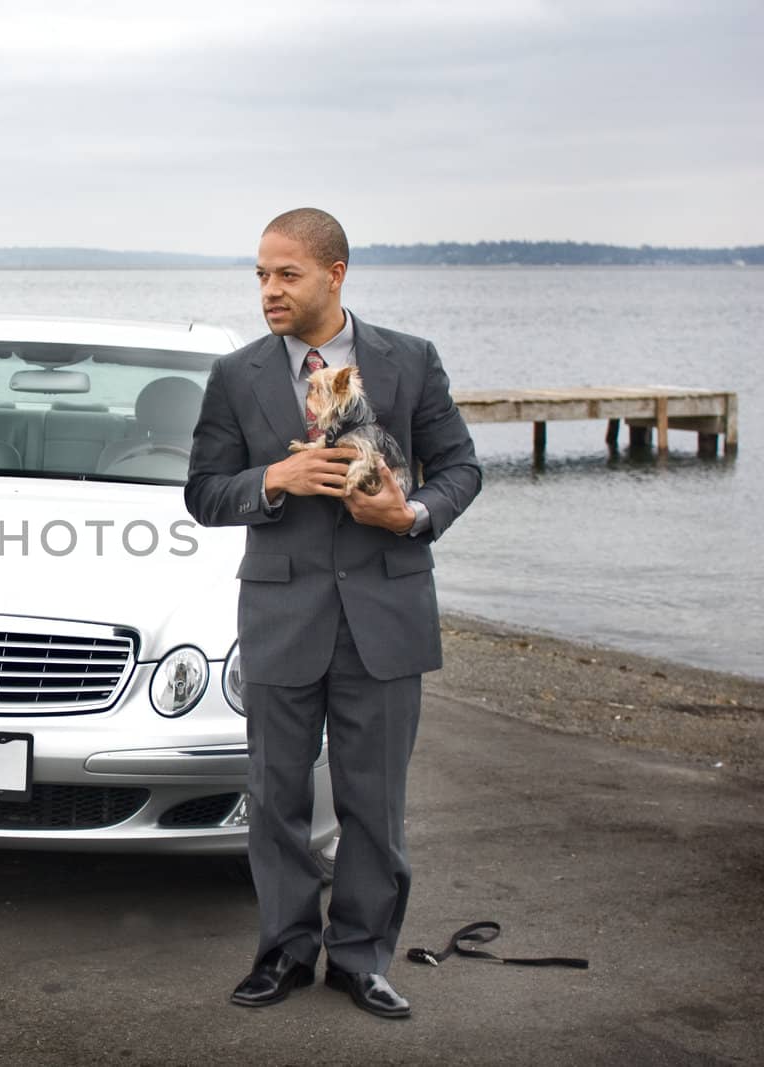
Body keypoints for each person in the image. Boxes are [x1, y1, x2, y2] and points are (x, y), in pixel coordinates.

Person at [184, 208, 481, 1020]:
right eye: (260, 276)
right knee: (275, 796)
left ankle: (361, 957)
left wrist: (410, 513)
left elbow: (460, 467)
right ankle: (283, 953)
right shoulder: (237, 375)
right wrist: (272, 481)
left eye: (287, 274)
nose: (269, 291)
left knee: (374, 803)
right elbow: (205, 492)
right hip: (283, 615)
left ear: (335, 273)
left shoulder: (410, 361)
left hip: (386, 611)